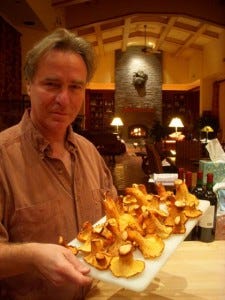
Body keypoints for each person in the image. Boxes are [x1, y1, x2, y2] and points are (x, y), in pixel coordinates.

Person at [0, 28, 117, 300]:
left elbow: (114, 223)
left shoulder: (90, 152)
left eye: (75, 87)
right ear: (28, 84)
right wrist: (32, 256)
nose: (64, 99)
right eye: (52, 85)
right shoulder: (4, 157)